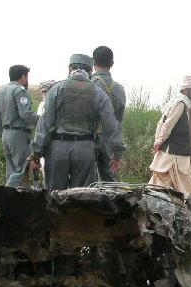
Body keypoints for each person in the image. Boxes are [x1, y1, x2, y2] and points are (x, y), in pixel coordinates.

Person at [31, 54, 123, 191]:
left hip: (57, 149)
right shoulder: (99, 92)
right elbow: (111, 125)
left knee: (54, 197)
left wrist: (36, 153)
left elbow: (45, 123)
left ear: (69, 69)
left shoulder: (56, 89)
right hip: (85, 150)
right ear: (90, 70)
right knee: (81, 199)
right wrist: (116, 153)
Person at [148, 76, 191, 195]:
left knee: (168, 184)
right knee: (178, 184)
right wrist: (159, 141)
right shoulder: (180, 104)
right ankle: (187, 205)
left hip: (177, 152)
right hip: (173, 153)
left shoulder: (181, 102)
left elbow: (162, 122)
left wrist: (158, 140)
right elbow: (167, 124)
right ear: (186, 90)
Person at [0, 65, 39, 187]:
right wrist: (42, 122)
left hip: (6, 134)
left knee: (11, 171)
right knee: (21, 169)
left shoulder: (2, 91)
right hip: (18, 135)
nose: (27, 80)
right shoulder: (19, 91)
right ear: (23, 76)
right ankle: (6, 195)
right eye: (27, 76)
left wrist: (1, 135)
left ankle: (16, 201)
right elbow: (26, 114)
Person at [91, 46, 126, 181]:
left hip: (89, 138)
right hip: (110, 139)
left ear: (93, 64)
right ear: (112, 64)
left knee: (88, 181)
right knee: (110, 182)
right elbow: (119, 119)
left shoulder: (89, 85)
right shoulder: (119, 89)